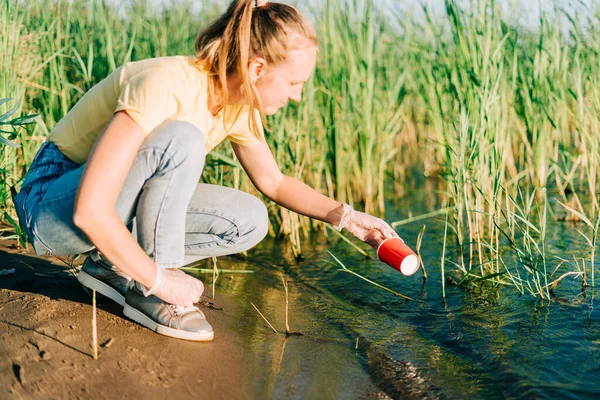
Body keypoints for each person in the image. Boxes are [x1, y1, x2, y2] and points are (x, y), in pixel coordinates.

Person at [13, 0, 399, 342]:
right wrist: (159, 279)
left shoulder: (238, 106)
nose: (296, 95)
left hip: (101, 205)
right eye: (295, 83)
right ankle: (150, 292)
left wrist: (349, 219)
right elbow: (89, 210)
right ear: (257, 68)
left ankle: (111, 268)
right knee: (182, 138)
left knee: (249, 220)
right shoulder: (166, 84)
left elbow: (275, 182)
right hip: (49, 206)